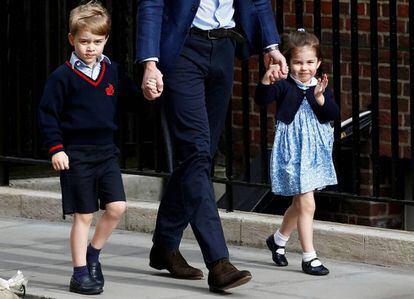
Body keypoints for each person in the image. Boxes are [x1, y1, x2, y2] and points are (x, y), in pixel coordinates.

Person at [136, 0, 288, 293]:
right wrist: (150, 63)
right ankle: (218, 262)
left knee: (197, 157)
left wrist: (271, 46)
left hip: (224, 49)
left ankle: (165, 245)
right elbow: (152, 4)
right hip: (182, 50)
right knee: (196, 153)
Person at [38, 1, 138, 294]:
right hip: (76, 154)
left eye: (97, 41)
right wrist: (56, 148)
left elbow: (131, 100)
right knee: (84, 214)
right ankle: (79, 273)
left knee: (117, 207)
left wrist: (150, 90)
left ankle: (93, 253)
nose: (90, 48)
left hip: (106, 152)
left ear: (105, 39)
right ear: (72, 39)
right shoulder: (62, 77)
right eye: (84, 41)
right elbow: (48, 115)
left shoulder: (113, 71)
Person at [255, 29, 339, 276]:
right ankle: (309, 257)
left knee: (300, 204)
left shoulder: (320, 86)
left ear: (319, 63)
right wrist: (266, 79)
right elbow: (262, 99)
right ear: (288, 63)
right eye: (298, 62)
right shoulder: (284, 85)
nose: (304, 68)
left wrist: (321, 99)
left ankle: (278, 240)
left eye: (310, 62)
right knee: (307, 203)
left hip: (315, 151)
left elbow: (332, 114)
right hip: (293, 149)